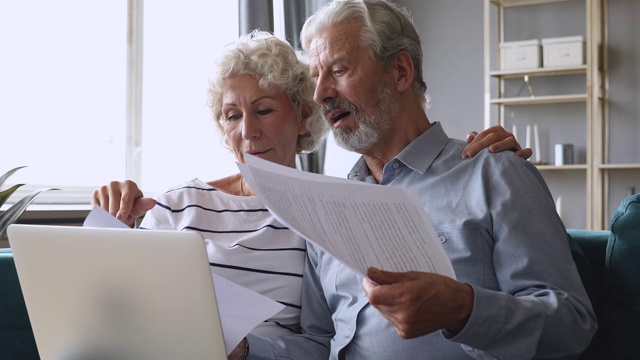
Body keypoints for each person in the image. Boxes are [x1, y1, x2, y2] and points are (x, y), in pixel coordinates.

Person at [92, 33, 529, 359]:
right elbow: (115, 304)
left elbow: (320, 342)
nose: (248, 131)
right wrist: (116, 225)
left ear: (304, 116)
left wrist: (246, 351)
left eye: (264, 109)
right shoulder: (174, 203)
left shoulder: (327, 212)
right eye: (232, 116)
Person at [237, 1, 597, 360]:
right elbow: (320, 342)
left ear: (401, 72)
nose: (320, 94)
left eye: (339, 70)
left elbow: (572, 324)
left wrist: (464, 309)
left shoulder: (494, 173)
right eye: (317, 78)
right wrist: (244, 350)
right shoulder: (324, 204)